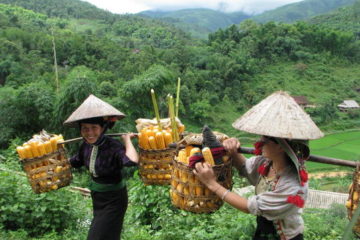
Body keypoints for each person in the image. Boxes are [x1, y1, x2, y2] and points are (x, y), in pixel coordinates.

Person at [193, 91, 324, 240]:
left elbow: (248, 207)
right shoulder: (266, 163)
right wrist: (233, 150)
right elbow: (244, 167)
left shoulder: (292, 186)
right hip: (263, 229)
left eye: (265, 140)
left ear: (281, 147)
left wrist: (212, 184)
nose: (259, 143)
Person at [63, 94, 139, 240]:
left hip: (114, 199)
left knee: (95, 237)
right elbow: (75, 161)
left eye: (94, 128)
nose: (89, 133)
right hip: (98, 197)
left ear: (103, 128)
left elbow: (132, 160)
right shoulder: (86, 145)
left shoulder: (113, 146)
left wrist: (127, 140)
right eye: (85, 128)